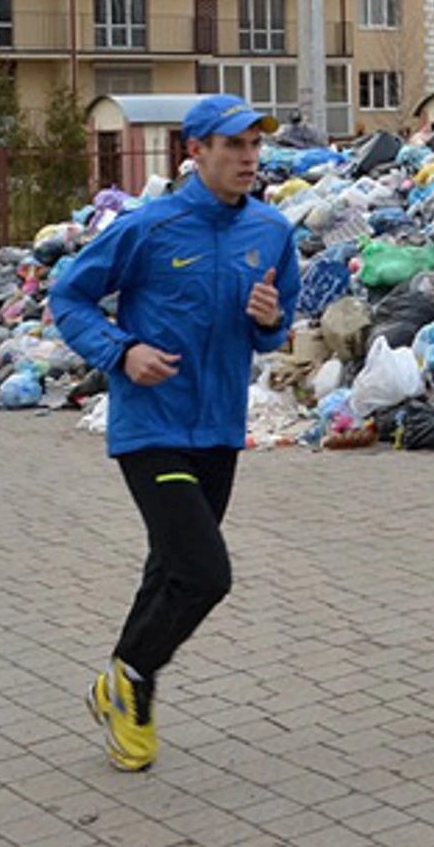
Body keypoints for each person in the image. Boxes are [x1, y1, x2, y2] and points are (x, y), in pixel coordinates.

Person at [51, 94, 300, 771]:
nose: (249, 157)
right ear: (195, 151)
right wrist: (122, 350)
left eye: (255, 144)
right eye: (234, 144)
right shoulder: (149, 226)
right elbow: (69, 296)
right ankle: (131, 679)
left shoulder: (272, 230)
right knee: (204, 573)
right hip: (151, 425)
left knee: (168, 568)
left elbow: (275, 330)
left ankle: (123, 686)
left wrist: (269, 320)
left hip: (218, 427)